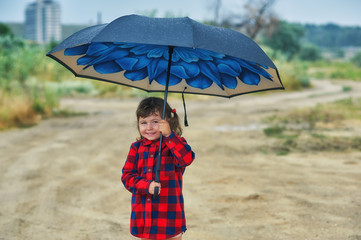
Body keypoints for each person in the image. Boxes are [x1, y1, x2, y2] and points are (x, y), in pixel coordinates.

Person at [122, 97, 195, 240]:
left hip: (169, 215)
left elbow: (186, 159)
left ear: (168, 122)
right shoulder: (136, 148)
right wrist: (146, 185)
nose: (149, 127)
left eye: (155, 121)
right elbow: (127, 177)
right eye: (143, 122)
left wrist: (169, 136)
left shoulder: (175, 144)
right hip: (145, 214)